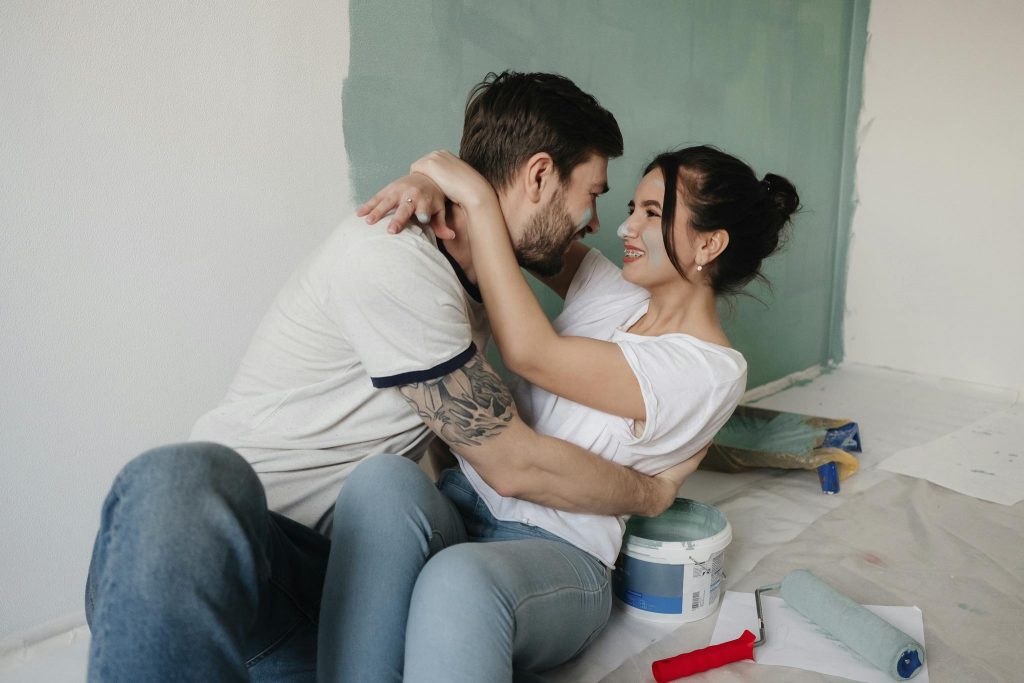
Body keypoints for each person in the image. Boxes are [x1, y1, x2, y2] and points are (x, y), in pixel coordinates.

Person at [83, 71, 697, 683]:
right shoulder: (393, 257)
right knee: (180, 475)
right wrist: (652, 493)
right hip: (238, 573)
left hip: (337, 598)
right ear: (539, 175)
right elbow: (513, 463)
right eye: (592, 194)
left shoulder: (481, 270)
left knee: (386, 485)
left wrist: (444, 182)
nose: (595, 221)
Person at [351, 144, 799, 680]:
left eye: (651, 214)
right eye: (632, 208)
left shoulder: (710, 370)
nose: (624, 228)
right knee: (382, 481)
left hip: (560, 556)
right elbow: (523, 232)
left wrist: (473, 195)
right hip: (463, 503)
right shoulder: (612, 290)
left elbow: (532, 353)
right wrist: (427, 185)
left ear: (709, 241)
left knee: (459, 577)